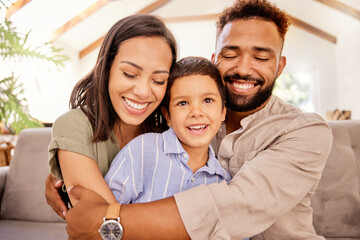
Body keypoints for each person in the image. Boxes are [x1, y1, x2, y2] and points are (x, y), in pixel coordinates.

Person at [48, 0, 333, 239]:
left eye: (261, 57)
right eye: (230, 54)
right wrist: (65, 170)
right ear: (214, 59)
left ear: (280, 66)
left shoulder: (306, 131)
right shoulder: (186, 123)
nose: (244, 68)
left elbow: (236, 204)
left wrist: (107, 220)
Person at [46, 14, 177, 210]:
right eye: (130, 74)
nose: (142, 92)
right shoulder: (73, 126)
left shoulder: (171, 136)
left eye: (158, 81)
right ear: (107, 68)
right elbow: (101, 222)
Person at [105, 56, 231, 204]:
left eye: (208, 100)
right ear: (167, 116)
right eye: (183, 103)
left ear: (223, 111)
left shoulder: (223, 182)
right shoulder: (141, 151)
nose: (196, 112)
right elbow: (102, 213)